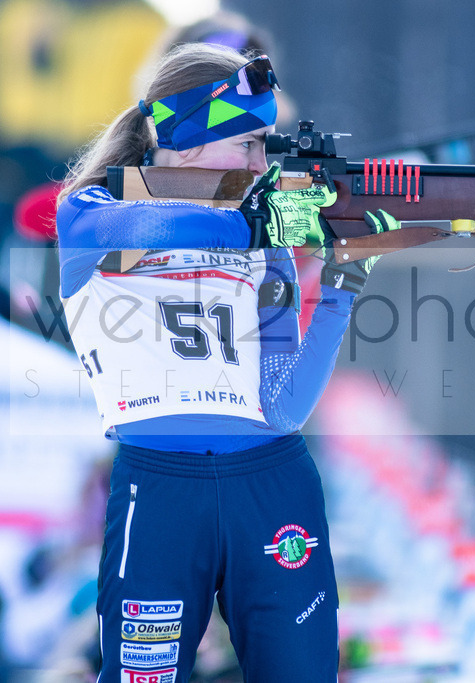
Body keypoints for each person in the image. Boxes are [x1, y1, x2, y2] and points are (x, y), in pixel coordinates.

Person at [55, 42, 397, 682]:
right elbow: (156, 229)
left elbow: (283, 407)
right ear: (186, 143)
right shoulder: (93, 211)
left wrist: (341, 285)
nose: (262, 163)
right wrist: (257, 219)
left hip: (271, 483)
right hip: (158, 491)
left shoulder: (265, 242)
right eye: (248, 145)